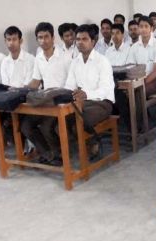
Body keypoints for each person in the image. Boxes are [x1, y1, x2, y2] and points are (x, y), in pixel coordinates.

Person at [22, 22, 71, 165]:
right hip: (45, 100)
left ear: (53, 38)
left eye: (46, 37)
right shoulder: (39, 58)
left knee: (46, 126)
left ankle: (59, 154)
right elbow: (36, 82)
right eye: (40, 38)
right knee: (26, 126)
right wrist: (21, 89)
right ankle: (49, 154)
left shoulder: (66, 57)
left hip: (62, 101)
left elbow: (72, 83)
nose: (43, 40)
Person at [65, 24, 115, 157]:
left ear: (93, 41)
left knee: (79, 121)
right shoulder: (75, 62)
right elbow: (69, 86)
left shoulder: (102, 61)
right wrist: (68, 94)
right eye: (78, 39)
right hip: (81, 102)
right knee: (63, 119)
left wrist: (86, 94)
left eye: (84, 39)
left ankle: (93, 141)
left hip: (102, 103)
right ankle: (79, 146)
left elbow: (105, 89)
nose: (80, 42)